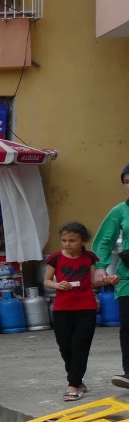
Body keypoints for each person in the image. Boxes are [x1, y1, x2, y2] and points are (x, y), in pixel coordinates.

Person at [46, 221, 99, 403]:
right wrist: (57, 284)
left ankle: (74, 385)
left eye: (72, 240)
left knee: (80, 346)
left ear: (83, 241)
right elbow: (47, 280)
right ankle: (77, 379)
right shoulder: (56, 258)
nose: (68, 244)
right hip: (62, 308)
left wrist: (109, 280)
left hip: (86, 307)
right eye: (64, 240)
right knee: (65, 346)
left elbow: (94, 281)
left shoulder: (90, 258)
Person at [92, 163, 129, 390]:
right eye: (127, 182)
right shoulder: (120, 211)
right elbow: (104, 240)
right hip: (127, 279)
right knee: (128, 327)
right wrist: (100, 266)